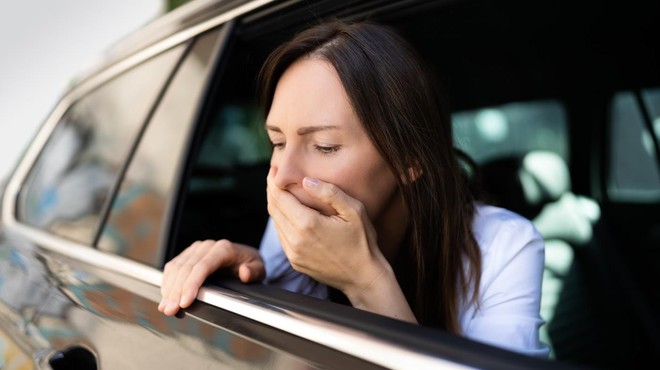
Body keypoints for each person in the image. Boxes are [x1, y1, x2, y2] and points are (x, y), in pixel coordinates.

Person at [158, 20, 549, 357]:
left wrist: (367, 281)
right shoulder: (296, 217)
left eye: (324, 146)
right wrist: (254, 275)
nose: (281, 176)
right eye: (277, 142)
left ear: (408, 158)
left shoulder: (504, 247)